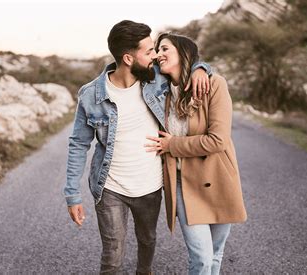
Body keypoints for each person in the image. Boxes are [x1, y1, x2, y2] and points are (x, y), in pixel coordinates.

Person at [63, 21, 211, 275]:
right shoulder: (90, 95)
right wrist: (72, 195)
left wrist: (200, 68)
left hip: (150, 185)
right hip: (110, 187)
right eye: (149, 51)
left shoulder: (156, 80)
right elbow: (78, 144)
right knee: (112, 254)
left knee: (147, 241)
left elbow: (186, 66)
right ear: (129, 58)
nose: (155, 56)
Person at [145, 33, 247, 275]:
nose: (159, 54)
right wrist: (200, 66)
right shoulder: (160, 92)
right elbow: (127, 67)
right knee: (201, 257)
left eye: (165, 49)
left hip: (218, 178)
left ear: (183, 54)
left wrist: (173, 145)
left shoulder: (214, 84)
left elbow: (218, 140)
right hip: (182, 183)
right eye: (157, 50)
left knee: (215, 254)